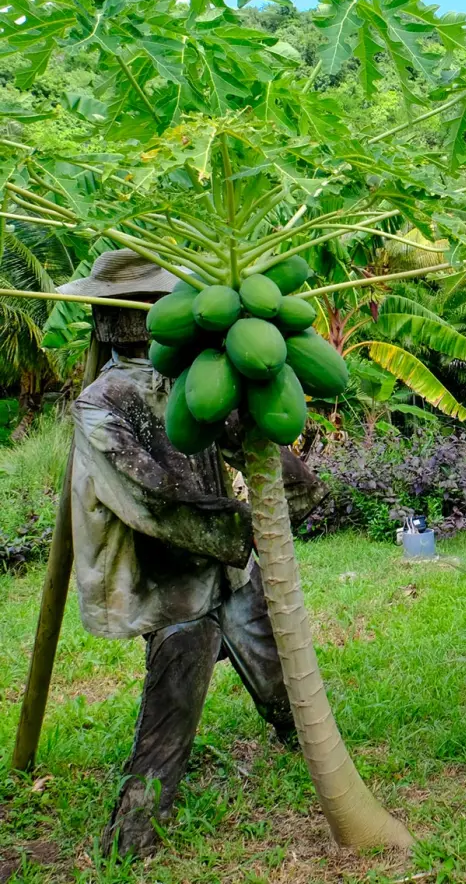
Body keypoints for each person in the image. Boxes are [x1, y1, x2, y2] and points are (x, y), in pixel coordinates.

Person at [58, 250, 327, 858]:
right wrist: (247, 528)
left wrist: (294, 487)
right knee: (170, 718)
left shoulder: (190, 376)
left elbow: (243, 435)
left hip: (228, 571)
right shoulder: (101, 403)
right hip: (168, 584)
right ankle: (130, 842)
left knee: (277, 671)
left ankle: (294, 737)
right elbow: (148, 498)